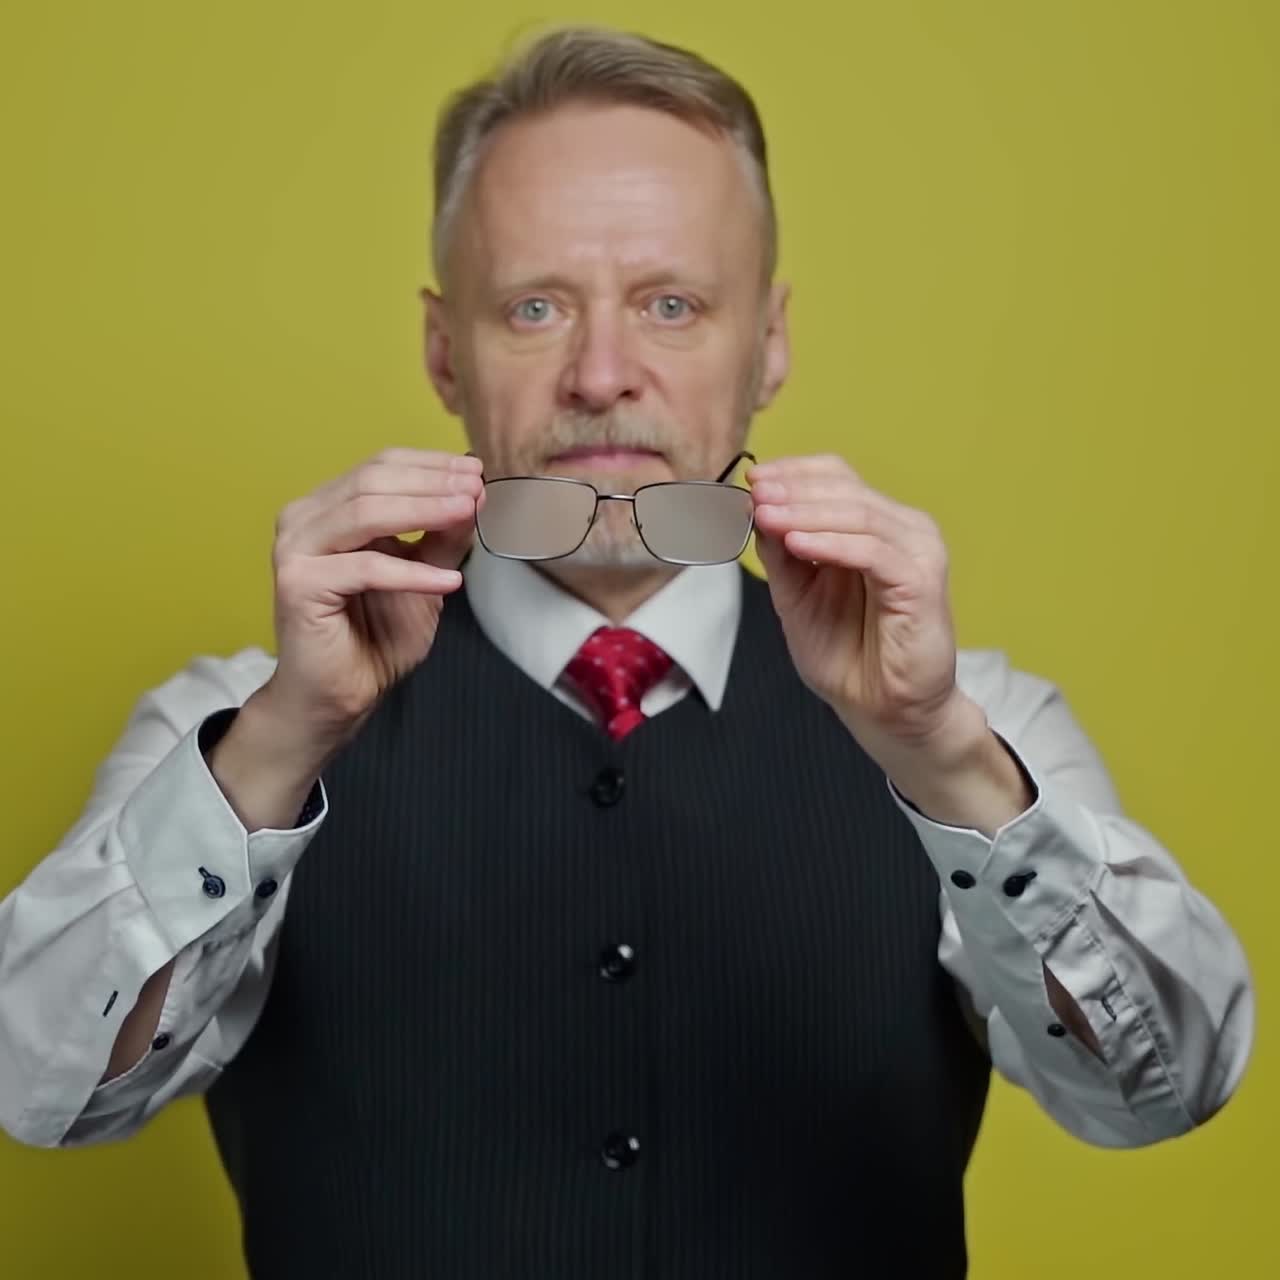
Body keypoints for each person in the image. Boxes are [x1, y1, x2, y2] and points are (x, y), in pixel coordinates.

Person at [0, 25, 1253, 1280]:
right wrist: (276, 746)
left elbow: (1162, 1091)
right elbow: (41, 1089)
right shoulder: (228, 730)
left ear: (766, 344)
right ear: (447, 352)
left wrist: (944, 762)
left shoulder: (980, 727)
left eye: (671, 304)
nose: (601, 375)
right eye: (534, 307)